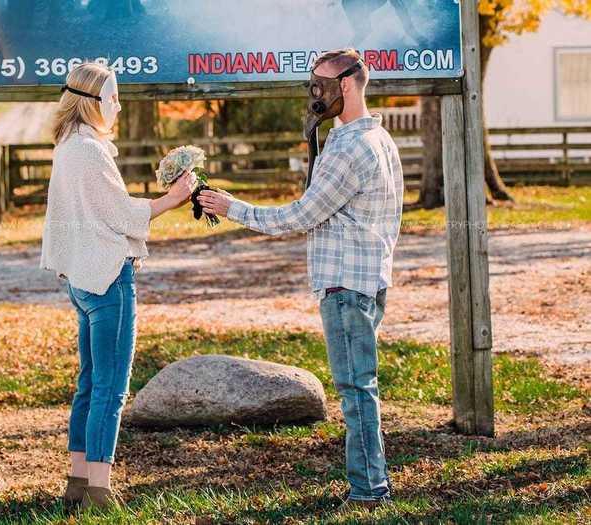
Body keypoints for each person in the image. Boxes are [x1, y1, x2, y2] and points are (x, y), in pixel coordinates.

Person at [198, 48, 404, 516]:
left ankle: (370, 488)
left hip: (346, 285)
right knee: (360, 385)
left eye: (321, 85)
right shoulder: (378, 139)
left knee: (355, 390)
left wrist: (232, 208)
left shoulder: (350, 148)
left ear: (347, 86)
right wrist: (316, 143)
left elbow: (300, 215)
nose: (314, 94)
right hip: (369, 279)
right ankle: (370, 482)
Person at [39, 62, 196, 510]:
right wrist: (176, 197)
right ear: (91, 103)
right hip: (108, 279)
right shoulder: (90, 150)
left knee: (89, 383)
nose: (118, 105)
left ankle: (77, 481)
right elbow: (122, 214)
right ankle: (100, 493)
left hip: (83, 281)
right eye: (112, 98)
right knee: (111, 387)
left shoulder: (67, 146)